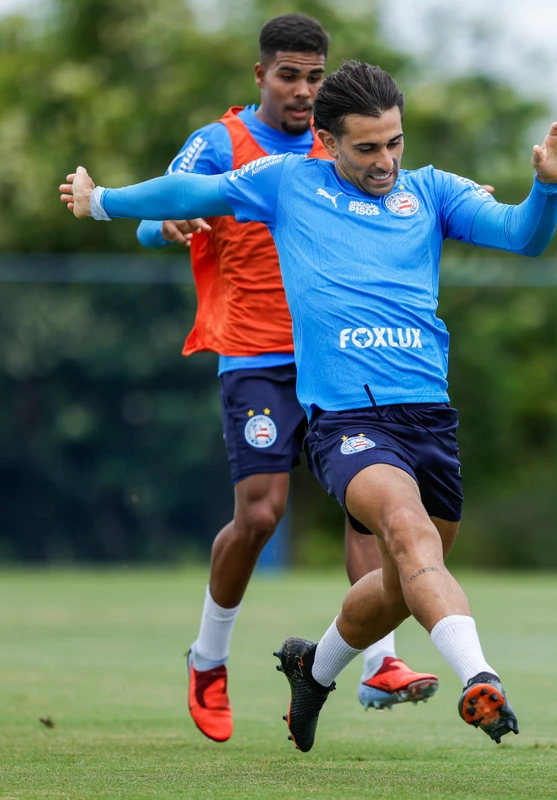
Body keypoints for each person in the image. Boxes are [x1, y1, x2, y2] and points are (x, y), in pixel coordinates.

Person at [59, 60, 557, 751]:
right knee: (406, 532)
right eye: (367, 147)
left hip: (429, 416)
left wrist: (547, 184)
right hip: (347, 421)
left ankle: (313, 670)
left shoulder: (431, 190)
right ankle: (479, 678)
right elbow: (193, 188)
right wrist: (104, 200)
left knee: (404, 583)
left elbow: (524, 235)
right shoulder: (290, 183)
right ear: (327, 139)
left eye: (394, 142)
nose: (385, 161)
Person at [134, 15, 436, 743]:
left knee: (372, 504)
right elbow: (158, 211)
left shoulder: (340, 141)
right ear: (260, 76)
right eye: (288, 75)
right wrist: (166, 228)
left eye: (314, 76)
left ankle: (380, 663)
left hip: (336, 356)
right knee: (262, 513)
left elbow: (398, 203)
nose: (303, 90)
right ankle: (208, 658)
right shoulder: (220, 144)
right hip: (257, 352)